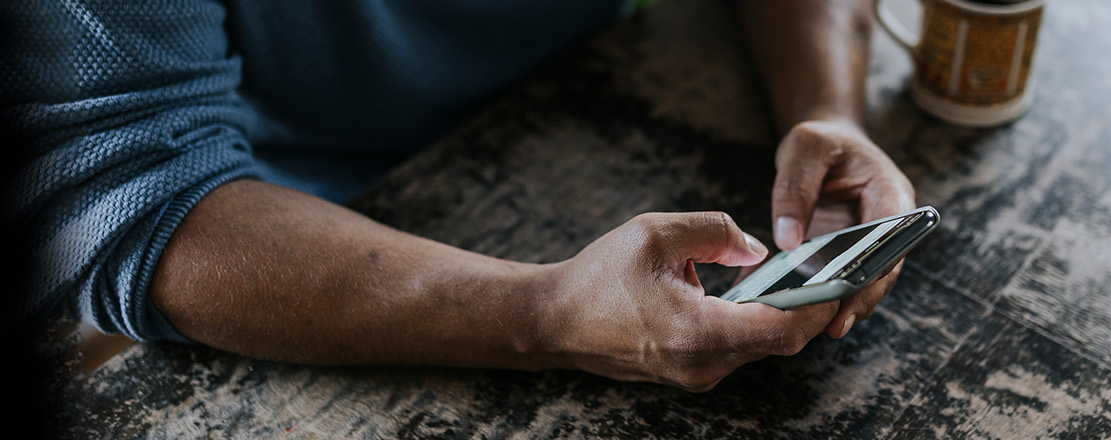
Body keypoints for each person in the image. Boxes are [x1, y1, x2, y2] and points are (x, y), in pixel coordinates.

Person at [5, 0, 915, 392]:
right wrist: (546, 310)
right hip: (312, 230)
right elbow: (121, 184)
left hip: (602, 85)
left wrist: (829, 107)